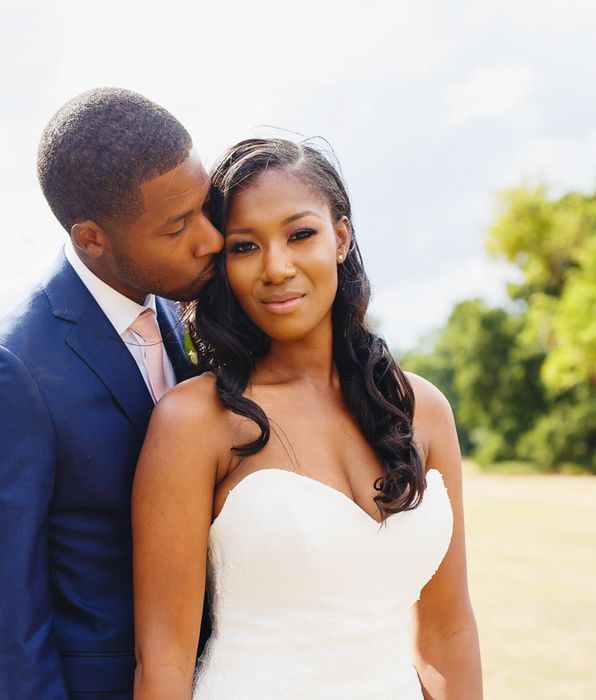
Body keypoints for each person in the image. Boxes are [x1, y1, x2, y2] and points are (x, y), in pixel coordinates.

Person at [132, 138, 483, 698]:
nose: (276, 268)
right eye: (245, 247)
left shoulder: (423, 411)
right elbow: (164, 663)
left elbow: (448, 629)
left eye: (301, 235)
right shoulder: (196, 421)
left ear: (340, 237)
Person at [0, 88, 221, 699]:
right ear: (93, 238)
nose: (211, 239)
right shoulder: (4, 370)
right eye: (178, 227)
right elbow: (1, 632)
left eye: (207, 208)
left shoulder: (178, 316)